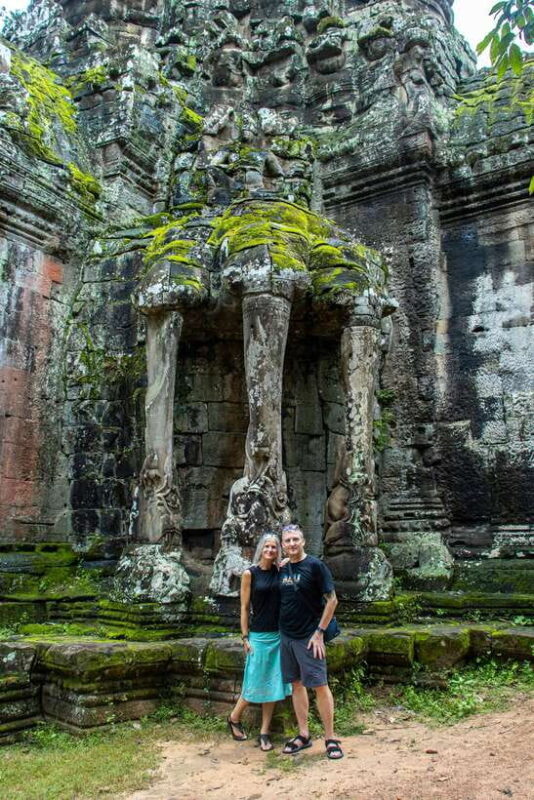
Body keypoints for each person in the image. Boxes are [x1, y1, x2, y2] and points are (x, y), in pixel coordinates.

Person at [279, 523, 343, 760]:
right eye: (288, 541)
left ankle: (330, 737)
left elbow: (332, 600)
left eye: (296, 539)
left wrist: (319, 632)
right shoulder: (282, 568)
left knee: (319, 684)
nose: (292, 544)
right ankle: (303, 734)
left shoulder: (315, 566)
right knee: (296, 684)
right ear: (283, 545)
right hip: (286, 636)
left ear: (303, 541)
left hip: (309, 637)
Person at [227, 532, 292, 751]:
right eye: (267, 547)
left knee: (273, 684)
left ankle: (264, 732)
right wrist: (244, 637)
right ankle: (234, 717)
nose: (271, 550)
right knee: (254, 681)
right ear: (261, 549)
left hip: (278, 635)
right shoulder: (250, 574)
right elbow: (245, 608)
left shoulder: (281, 572)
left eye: (274, 547)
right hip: (259, 636)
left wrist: (287, 563)